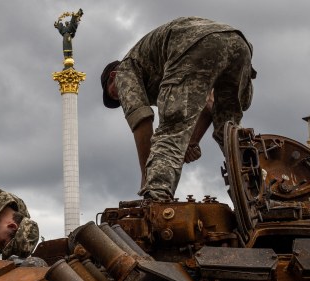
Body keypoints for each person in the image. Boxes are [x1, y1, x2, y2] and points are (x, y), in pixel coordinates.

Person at [100, 16, 256, 201]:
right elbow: (209, 107)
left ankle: (156, 198)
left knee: (170, 131)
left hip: (194, 42)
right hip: (238, 44)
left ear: (112, 77)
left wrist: (146, 178)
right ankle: (258, 194)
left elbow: (141, 121)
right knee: (229, 132)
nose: (120, 99)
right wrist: (191, 142)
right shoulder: (158, 70)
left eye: (114, 94)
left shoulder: (124, 70)